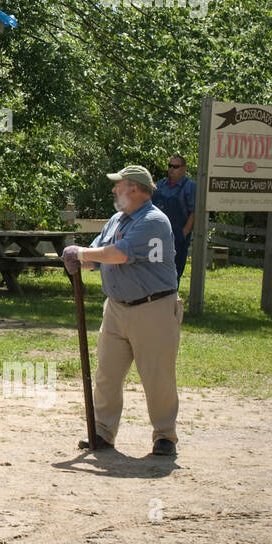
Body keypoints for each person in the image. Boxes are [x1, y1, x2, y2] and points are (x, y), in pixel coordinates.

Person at [61, 165, 181, 457]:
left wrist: (80, 253)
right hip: (116, 308)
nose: (114, 190)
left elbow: (120, 254)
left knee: (157, 376)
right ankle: (102, 432)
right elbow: (97, 257)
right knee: (107, 374)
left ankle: (165, 435)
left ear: (136, 189)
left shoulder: (153, 220)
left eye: (119, 185)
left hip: (154, 308)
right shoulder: (116, 220)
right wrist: (80, 260)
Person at [151, 154, 197, 287]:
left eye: (175, 166)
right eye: (170, 166)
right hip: (158, 234)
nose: (171, 169)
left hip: (177, 235)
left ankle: (172, 298)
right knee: (155, 268)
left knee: (174, 271)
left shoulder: (190, 186)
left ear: (184, 168)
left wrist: (184, 233)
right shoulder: (159, 184)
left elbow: (194, 212)